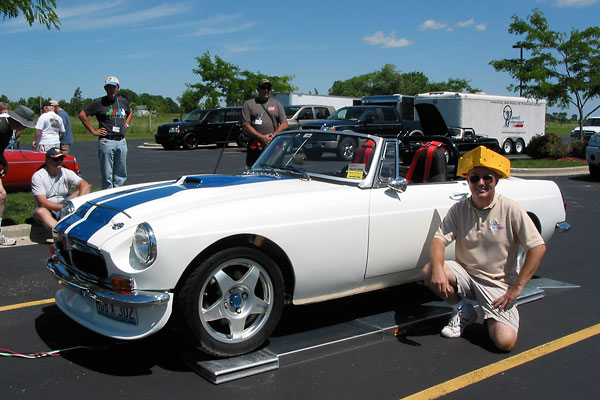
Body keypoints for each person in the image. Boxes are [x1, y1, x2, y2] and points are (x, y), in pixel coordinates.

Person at [422, 146, 546, 351]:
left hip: (497, 284)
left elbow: (537, 248)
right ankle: (464, 311)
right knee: (429, 271)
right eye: (474, 178)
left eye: (487, 178)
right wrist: (437, 268)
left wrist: (516, 290)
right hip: (467, 276)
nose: (481, 183)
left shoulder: (511, 209)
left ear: (496, 180)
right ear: (468, 181)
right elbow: (438, 241)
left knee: (504, 343)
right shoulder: (459, 209)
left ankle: (492, 317)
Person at [79, 76, 132, 189]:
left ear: (118, 88)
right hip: (107, 141)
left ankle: (119, 193)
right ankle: (107, 194)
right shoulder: (99, 102)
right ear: (105, 88)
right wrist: (94, 131)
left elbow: (130, 112)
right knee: (107, 174)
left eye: (113, 87)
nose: (111, 89)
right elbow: (82, 115)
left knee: (121, 173)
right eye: (109, 87)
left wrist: (126, 123)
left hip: (121, 141)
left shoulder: (122, 101)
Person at [0, 105, 35, 245]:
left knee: (1, 195)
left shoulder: (8, 130)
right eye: (24, 124)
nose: (24, 128)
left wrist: (5, 163)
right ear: (16, 120)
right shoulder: (2, 128)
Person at [31, 148, 91, 231]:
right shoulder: (38, 176)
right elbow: (43, 202)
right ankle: (60, 232)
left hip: (64, 204)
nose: (59, 162)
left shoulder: (66, 172)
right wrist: (64, 208)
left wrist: (78, 205)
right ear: (47, 160)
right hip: (48, 208)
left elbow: (85, 185)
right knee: (41, 211)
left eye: (61, 159)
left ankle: (79, 218)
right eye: (55, 159)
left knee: (81, 191)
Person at [241, 78, 288, 167]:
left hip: (273, 143)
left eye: (268, 88)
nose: (266, 90)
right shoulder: (249, 104)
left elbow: (284, 124)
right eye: (263, 88)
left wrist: (272, 136)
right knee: (254, 168)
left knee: (274, 168)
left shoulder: (277, 104)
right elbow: (246, 126)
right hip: (255, 144)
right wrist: (261, 137)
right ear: (258, 89)